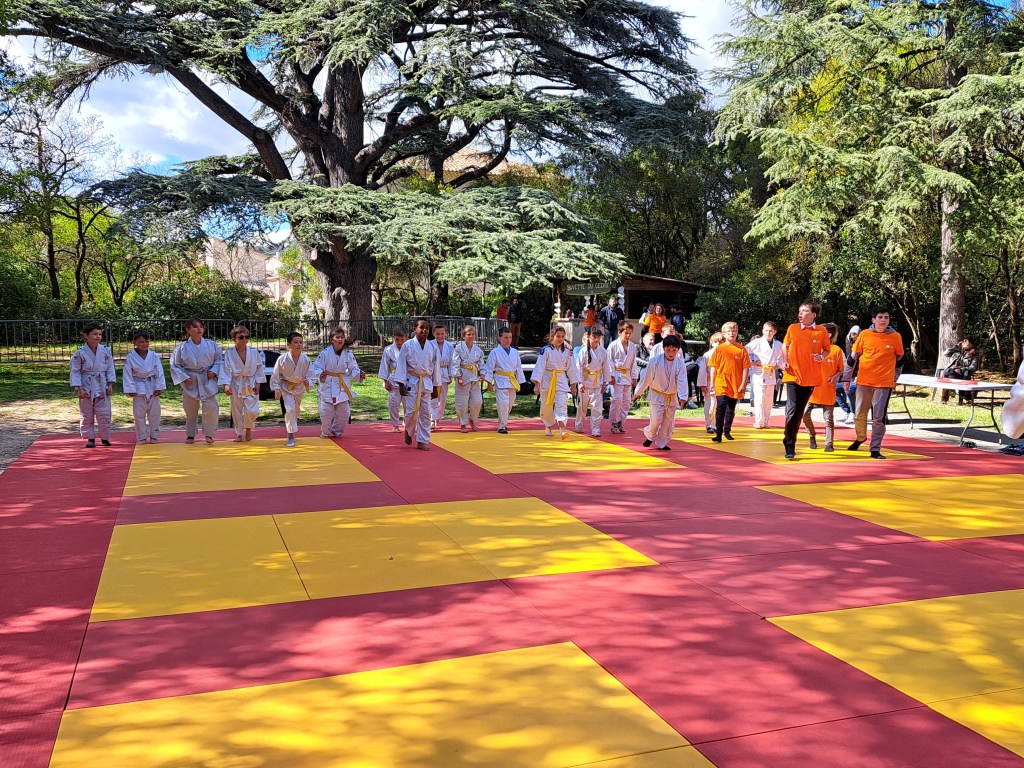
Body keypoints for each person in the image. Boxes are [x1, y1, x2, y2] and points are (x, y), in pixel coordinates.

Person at [847, 307, 904, 459]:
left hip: (884, 383)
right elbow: (853, 357)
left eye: (886, 317)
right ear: (873, 320)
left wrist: (895, 378)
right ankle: (861, 437)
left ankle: (875, 448)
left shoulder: (895, 336)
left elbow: (900, 361)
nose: (883, 320)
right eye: (880, 317)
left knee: (879, 417)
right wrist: (846, 378)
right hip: (864, 381)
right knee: (859, 414)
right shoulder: (865, 334)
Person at [781, 302, 832, 459]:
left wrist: (821, 356)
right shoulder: (793, 328)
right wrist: (785, 361)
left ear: (813, 315)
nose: (800, 313)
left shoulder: (821, 331)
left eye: (804, 311)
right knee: (792, 408)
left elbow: (827, 349)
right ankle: (790, 444)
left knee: (798, 411)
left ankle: (788, 436)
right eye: (800, 310)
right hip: (792, 374)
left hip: (810, 377)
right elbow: (785, 345)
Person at [170, 318, 223, 444]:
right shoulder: (182, 347)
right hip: (190, 379)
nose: (199, 329)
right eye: (195, 327)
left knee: (211, 407)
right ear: (188, 330)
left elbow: (220, 359)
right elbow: (174, 364)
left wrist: (214, 371)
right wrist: (183, 377)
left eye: (201, 326)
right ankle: (190, 434)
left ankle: (209, 434)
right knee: (190, 408)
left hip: (207, 378)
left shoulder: (212, 344)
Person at [632, 335, 688, 450]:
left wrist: (683, 397)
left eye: (674, 350)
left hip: (671, 396)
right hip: (657, 394)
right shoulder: (655, 361)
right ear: (663, 348)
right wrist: (638, 392)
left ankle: (662, 443)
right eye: (668, 350)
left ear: (678, 350)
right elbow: (646, 378)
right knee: (656, 419)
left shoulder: (680, 363)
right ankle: (650, 436)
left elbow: (682, 380)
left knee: (668, 422)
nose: (671, 353)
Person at [396, 318, 443, 450]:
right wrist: (401, 384)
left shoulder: (432, 347)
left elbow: (436, 367)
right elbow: (401, 364)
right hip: (412, 381)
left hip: (426, 382)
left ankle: (423, 440)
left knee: (426, 413)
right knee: (411, 412)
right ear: (414, 329)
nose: (424, 330)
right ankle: (409, 431)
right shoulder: (407, 345)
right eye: (421, 327)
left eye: (427, 328)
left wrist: (436, 386)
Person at [71, 322, 116, 448]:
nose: (98, 336)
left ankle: (105, 437)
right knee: (87, 413)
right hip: (86, 383)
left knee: (104, 413)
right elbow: (75, 371)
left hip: (102, 384)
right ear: (86, 335)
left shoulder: (106, 351)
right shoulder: (79, 353)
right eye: (95, 334)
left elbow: (110, 368)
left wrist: (110, 384)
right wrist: (78, 387)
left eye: (100, 334)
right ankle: (90, 438)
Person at [313, 327, 364, 439]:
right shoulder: (325, 353)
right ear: (332, 340)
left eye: (342, 337)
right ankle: (325, 431)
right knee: (326, 412)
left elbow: (353, 368)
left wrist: (359, 374)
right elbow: (316, 367)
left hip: (341, 384)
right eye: (337, 337)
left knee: (344, 412)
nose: (340, 339)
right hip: (328, 383)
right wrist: (320, 374)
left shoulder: (348, 354)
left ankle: (337, 431)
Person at [801, 323, 845, 452]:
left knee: (828, 419)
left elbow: (841, 368)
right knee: (805, 414)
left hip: (828, 388)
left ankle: (829, 444)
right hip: (812, 388)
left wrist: (836, 376)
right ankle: (812, 436)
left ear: (828, 335)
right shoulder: (813, 348)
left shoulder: (836, 350)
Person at [218, 325, 265, 443]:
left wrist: (258, 382)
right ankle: (239, 433)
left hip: (251, 382)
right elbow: (226, 369)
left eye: (246, 337)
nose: (244, 339)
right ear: (234, 339)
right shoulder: (229, 353)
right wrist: (226, 385)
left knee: (252, 410)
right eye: (241, 337)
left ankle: (248, 428)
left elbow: (259, 367)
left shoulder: (253, 352)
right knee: (236, 409)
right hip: (236, 383)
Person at [536, 326, 581, 439]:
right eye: (558, 336)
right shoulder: (545, 350)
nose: (560, 339)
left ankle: (562, 430)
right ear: (552, 336)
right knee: (546, 405)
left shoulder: (567, 352)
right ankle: (548, 426)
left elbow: (572, 369)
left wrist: (573, 385)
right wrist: (537, 384)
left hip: (561, 379)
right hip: (547, 379)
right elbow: (539, 367)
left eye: (562, 336)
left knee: (562, 404)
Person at [708, 322, 750, 442]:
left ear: (737, 333)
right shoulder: (719, 349)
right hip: (721, 382)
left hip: (735, 383)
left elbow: (746, 368)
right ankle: (718, 433)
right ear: (724, 334)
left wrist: (743, 383)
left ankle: (727, 430)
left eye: (734, 331)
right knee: (720, 406)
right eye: (729, 331)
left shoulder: (742, 349)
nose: (732, 333)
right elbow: (713, 366)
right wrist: (712, 382)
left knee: (731, 408)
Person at [270, 332, 314, 447]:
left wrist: (308, 382)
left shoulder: (306, 360)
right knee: (290, 410)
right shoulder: (282, 359)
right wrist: (276, 388)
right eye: (295, 342)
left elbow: (311, 375)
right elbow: (276, 375)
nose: (299, 344)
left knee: (296, 410)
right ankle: (290, 435)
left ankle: (291, 428)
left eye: (301, 342)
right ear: (289, 344)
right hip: (286, 387)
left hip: (299, 387)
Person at [122, 329, 165, 445]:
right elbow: (127, 373)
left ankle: (154, 435)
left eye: (146, 341)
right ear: (134, 342)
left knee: (155, 413)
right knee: (139, 414)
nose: (144, 344)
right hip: (138, 387)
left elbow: (159, 372)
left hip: (152, 386)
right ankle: (141, 436)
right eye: (141, 342)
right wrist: (130, 389)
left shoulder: (154, 355)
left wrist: (159, 387)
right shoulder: (130, 357)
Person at [483, 326, 525, 434]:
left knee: (510, 403)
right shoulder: (495, 352)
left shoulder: (515, 352)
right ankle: (502, 426)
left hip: (512, 380)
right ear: (499, 338)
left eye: (510, 337)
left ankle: (503, 421)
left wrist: (521, 381)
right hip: (500, 379)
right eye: (506, 337)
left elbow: (518, 368)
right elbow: (489, 368)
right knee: (503, 403)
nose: (508, 340)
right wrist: (489, 382)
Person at [746, 321, 786, 429]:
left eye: (771, 331)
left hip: (771, 372)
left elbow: (782, 357)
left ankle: (766, 421)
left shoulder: (778, 344)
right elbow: (744, 351)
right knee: (759, 398)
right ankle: (759, 421)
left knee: (768, 399)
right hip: (759, 372)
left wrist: (778, 365)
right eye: (766, 330)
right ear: (763, 331)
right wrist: (752, 362)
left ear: (775, 332)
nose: (768, 333)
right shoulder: (757, 342)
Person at [575, 327, 612, 436]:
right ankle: (579, 424)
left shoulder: (603, 352)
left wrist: (605, 384)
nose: (596, 340)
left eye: (598, 337)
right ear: (589, 337)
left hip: (597, 382)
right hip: (585, 382)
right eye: (594, 337)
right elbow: (578, 368)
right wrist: (580, 382)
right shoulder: (583, 351)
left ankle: (596, 429)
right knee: (583, 407)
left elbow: (606, 368)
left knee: (597, 408)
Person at [607, 320, 639, 434]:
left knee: (626, 401)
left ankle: (620, 421)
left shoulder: (632, 346)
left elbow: (633, 362)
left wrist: (634, 377)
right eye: (626, 333)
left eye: (630, 333)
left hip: (628, 376)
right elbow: (609, 361)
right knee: (617, 400)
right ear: (619, 332)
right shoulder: (613, 345)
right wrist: (611, 375)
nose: (628, 335)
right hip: (617, 375)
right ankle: (614, 422)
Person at [453, 324, 485, 432]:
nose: (471, 336)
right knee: (462, 402)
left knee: (477, 401)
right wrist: (459, 377)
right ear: (463, 336)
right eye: (468, 334)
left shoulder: (478, 350)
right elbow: (455, 363)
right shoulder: (458, 348)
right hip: (463, 377)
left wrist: (482, 374)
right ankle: (463, 423)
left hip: (474, 378)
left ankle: (472, 419)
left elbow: (481, 364)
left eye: (473, 334)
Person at [378, 329, 407, 432]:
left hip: (407, 379)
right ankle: (395, 425)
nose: (399, 342)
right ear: (393, 338)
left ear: (406, 338)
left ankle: (407, 422)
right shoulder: (388, 349)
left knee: (408, 404)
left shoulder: (409, 348)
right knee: (394, 405)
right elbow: (384, 365)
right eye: (397, 339)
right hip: (393, 379)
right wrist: (385, 381)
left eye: (402, 340)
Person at [696, 332, 725, 433]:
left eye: (721, 342)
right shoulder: (707, 355)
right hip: (710, 383)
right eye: (716, 342)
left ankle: (717, 425)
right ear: (712, 343)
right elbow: (702, 371)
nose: (718, 344)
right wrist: (702, 384)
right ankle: (709, 425)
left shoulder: (726, 354)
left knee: (720, 406)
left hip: (722, 383)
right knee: (711, 405)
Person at [430, 324, 456, 429]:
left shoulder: (449, 346)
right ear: (433, 334)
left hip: (444, 372)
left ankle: (437, 418)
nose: (440, 336)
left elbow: (452, 361)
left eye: (442, 334)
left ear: (446, 334)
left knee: (442, 398)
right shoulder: (429, 344)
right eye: (437, 334)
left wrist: (450, 375)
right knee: (433, 397)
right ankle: (432, 419)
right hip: (432, 373)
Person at [941, 338, 980, 404]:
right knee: (948, 371)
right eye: (963, 341)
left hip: (962, 374)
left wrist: (962, 369)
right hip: (951, 372)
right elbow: (945, 353)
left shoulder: (973, 355)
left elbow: (973, 367)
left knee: (947, 373)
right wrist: (956, 346)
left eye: (965, 341)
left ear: (970, 344)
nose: (963, 342)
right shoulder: (957, 350)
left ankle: (947, 394)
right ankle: (951, 390)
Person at [839, 325, 861, 424]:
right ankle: (846, 410)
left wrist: (859, 375)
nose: (855, 336)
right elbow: (850, 360)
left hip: (861, 375)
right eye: (853, 334)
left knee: (849, 390)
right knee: (834, 387)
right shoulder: (848, 342)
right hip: (851, 372)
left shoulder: (863, 343)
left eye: (857, 334)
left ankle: (853, 412)